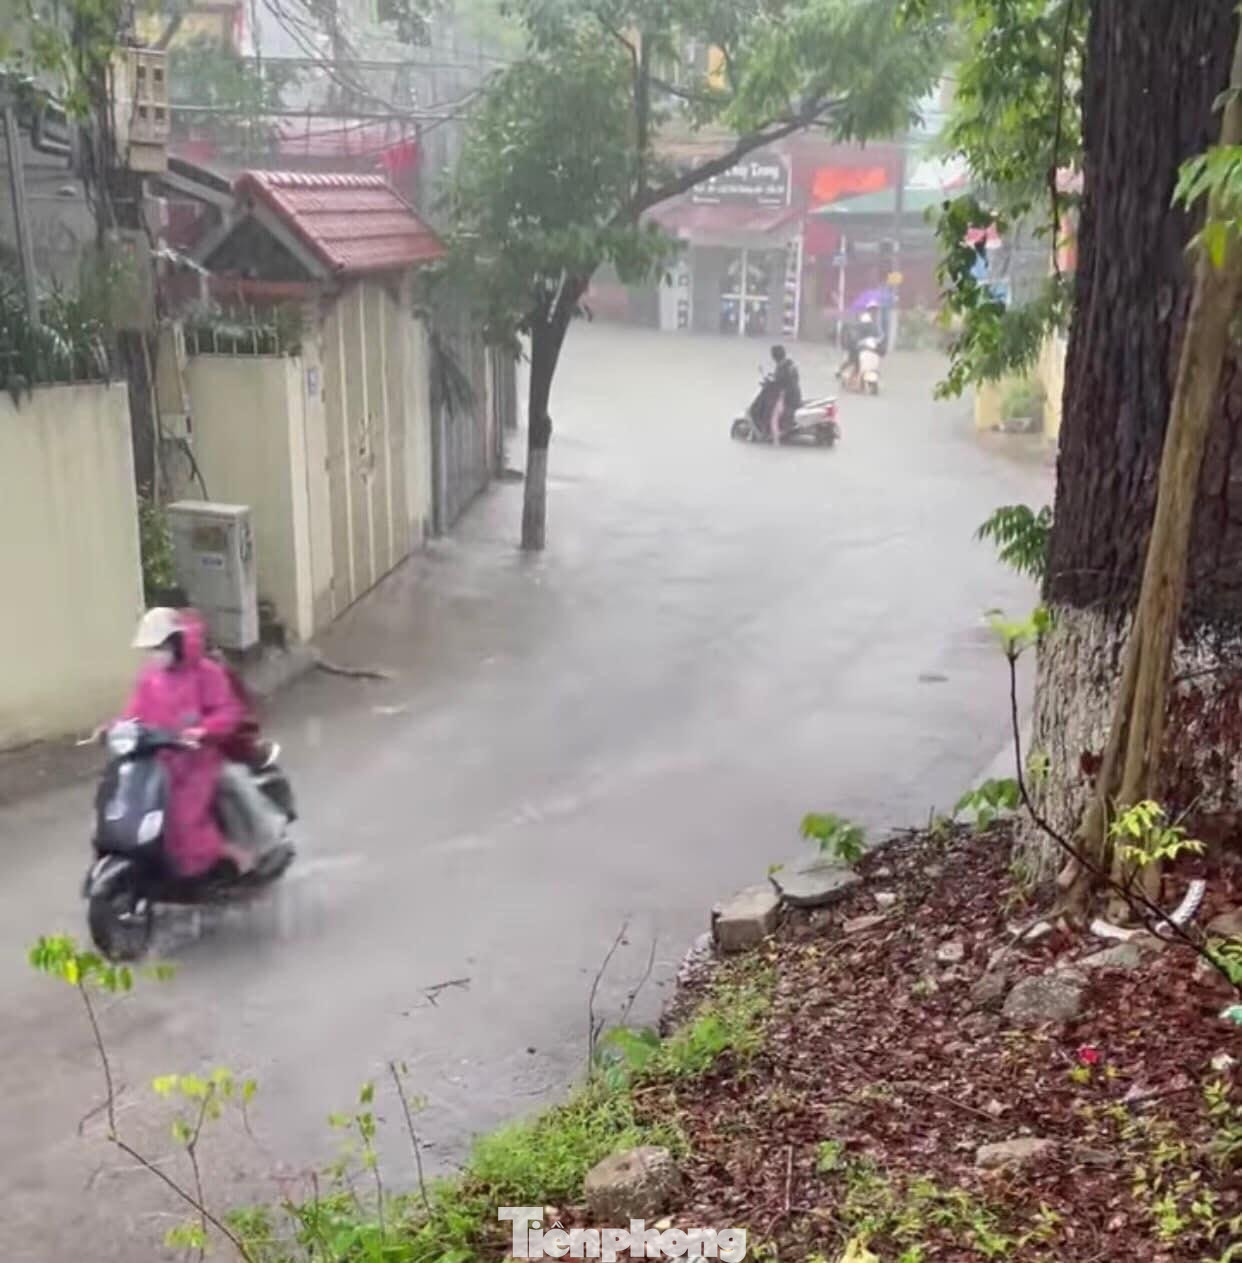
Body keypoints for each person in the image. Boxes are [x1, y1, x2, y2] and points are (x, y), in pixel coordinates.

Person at [124, 607, 255, 877]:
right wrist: (115, 730)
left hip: (198, 761)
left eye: (158, 646)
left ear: (175, 642)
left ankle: (229, 858)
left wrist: (202, 731)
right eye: (151, 648)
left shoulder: (207, 673)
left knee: (183, 820)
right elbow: (133, 714)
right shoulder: (150, 678)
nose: (154, 654)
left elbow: (228, 711)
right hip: (159, 763)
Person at [752, 345, 802, 439]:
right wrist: (771, 378)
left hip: (788, 397)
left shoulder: (783, 366)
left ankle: (773, 433)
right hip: (793, 394)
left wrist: (769, 383)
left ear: (775, 357)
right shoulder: (788, 364)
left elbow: (779, 382)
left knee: (770, 409)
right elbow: (780, 379)